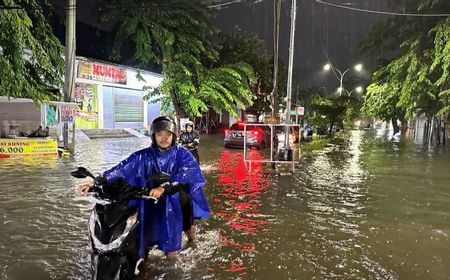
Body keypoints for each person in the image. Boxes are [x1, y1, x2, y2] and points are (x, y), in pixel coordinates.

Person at [76, 116, 210, 261]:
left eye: (168, 134)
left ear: (174, 136)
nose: (164, 138)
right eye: (159, 134)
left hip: (175, 200)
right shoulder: (143, 156)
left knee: (173, 251)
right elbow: (121, 168)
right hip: (149, 198)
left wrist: (164, 187)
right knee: (143, 235)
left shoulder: (182, 154)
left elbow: (187, 176)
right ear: (153, 136)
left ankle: (191, 241)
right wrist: (96, 182)